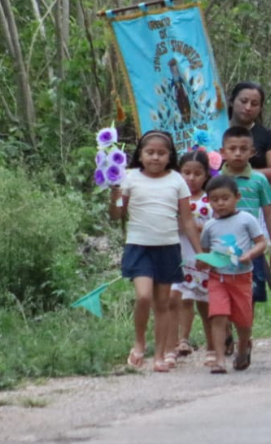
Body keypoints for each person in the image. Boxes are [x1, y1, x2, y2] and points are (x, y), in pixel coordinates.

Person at [110, 130, 201, 372]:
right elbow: (117, 214)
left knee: (163, 303)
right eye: (150, 152)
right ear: (140, 154)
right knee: (143, 297)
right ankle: (139, 343)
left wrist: (199, 252)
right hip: (138, 246)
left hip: (168, 248)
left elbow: (187, 220)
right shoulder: (129, 177)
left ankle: (160, 355)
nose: (155, 157)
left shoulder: (177, 180)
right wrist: (115, 195)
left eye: (161, 153)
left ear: (170, 156)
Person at [198, 175, 269, 374]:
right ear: (209, 201)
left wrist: (250, 254)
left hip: (242, 278)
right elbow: (205, 253)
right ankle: (220, 359)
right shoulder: (209, 226)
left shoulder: (247, 219)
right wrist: (203, 262)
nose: (220, 203)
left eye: (225, 198)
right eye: (215, 199)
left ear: (237, 197)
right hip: (217, 278)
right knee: (218, 315)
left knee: (243, 320)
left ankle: (244, 346)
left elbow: (261, 243)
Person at [220, 126, 271, 312]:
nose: (238, 153)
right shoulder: (216, 179)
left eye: (243, 149)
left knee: (250, 293)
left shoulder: (259, 180)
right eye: (232, 149)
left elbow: (269, 214)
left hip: (252, 248)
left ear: (252, 152)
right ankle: (227, 329)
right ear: (222, 152)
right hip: (222, 246)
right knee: (223, 292)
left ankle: (246, 329)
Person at [170, 150, 213, 365]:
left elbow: (217, 226)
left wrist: (197, 226)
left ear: (206, 175)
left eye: (197, 173)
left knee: (205, 302)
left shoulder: (210, 200)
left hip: (202, 256)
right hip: (180, 254)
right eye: (186, 172)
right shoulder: (175, 199)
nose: (191, 178)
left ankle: (212, 344)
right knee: (182, 298)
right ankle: (182, 340)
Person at [227, 82, 271, 184]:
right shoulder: (213, 131)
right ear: (232, 101)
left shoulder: (267, 135)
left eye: (254, 104)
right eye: (243, 101)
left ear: (260, 108)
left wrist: (241, 172)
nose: (248, 108)